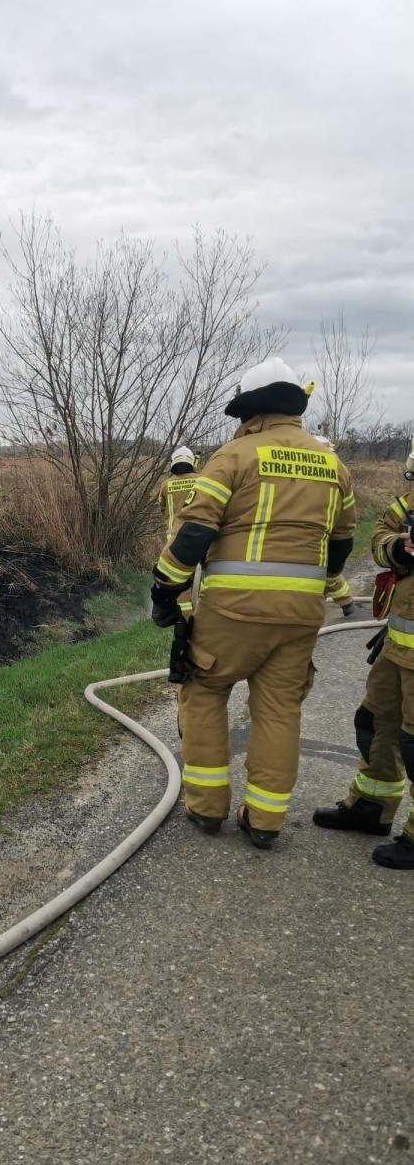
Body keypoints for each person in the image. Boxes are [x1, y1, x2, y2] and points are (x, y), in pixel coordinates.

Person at [150, 358, 356, 849]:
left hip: (233, 611)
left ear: (249, 408)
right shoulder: (334, 466)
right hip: (301, 616)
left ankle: (206, 807)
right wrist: (324, 587)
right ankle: (265, 820)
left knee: (203, 691)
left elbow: (194, 533)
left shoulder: (234, 456)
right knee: (280, 709)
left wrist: (165, 590)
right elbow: (342, 542)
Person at [313, 440, 414, 870]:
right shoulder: (408, 503)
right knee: (377, 722)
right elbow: (379, 537)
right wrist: (397, 548)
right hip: (398, 644)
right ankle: (371, 807)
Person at [314, 435, 356, 617]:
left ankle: (343, 602)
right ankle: (346, 602)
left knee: (326, 572)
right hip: (329, 530)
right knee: (328, 570)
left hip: (323, 530)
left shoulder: (331, 468)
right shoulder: (336, 468)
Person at [157, 445, 199, 616]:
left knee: (179, 579)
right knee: (200, 576)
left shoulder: (166, 485)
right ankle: (201, 611)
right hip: (199, 537)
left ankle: (184, 617)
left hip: (174, 541)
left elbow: (162, 509)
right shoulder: (202, 480)